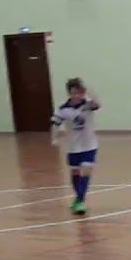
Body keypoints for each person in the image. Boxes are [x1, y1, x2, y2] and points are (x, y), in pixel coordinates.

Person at [50, 78, 101, 216]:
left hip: (89, 145)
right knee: (75, 173)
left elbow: (98, 103)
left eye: (79, 92)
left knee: (86, 170)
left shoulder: (87, 105)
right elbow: (55, 124)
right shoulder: (63, 109)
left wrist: (88, 89)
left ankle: (80, 200)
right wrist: (54, 138)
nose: (76, 95)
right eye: (73, 93)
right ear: (69, 93)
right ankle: (78, 198)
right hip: (73, 147)